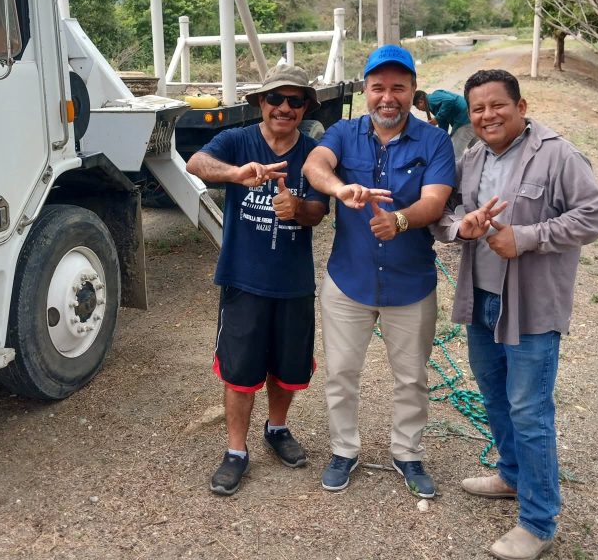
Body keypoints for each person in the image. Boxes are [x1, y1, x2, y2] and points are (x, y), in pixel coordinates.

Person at [432, 69, 598, 560]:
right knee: (494, 396)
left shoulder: (558, 154)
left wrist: (528, 238)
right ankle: (511, 475)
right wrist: (462, 227)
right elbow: (445, 215)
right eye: (478, 109)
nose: (487, 116)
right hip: (481, 300)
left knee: (530, 411)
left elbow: (596, 215)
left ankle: (538, 521)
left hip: (530, 306)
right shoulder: (471, 157)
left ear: (521, 107)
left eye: (498, 105)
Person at [302, 45, 455, 496]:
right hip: (348, 280)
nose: (388, 98)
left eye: (398, 88)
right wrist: (339, 188)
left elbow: (436, 200)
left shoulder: (435, 141)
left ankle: (407, 453)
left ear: (413, 91)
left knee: (411, 378)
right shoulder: (343, 132)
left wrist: (401, 220)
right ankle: (343, 450)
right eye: (378, 88)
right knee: (341, 374)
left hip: (411, 282)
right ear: (365, 91)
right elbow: (314, 164)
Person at [186, 64, 330, 496]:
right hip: (243, 280)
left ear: (305, 108)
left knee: (287, 368)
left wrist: (297, 209)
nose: (284, 108)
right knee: (240, 371)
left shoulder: (314, 153)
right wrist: (236, 174)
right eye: (275, 98)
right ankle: (236, 451)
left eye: (295, 100)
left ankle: (277, 428)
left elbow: (319, 212)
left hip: (293, 282)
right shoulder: (238, 140)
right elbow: (195, 163)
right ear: (261, 103)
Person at [414, 88, 475, 159]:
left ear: (420, 101)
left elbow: (449, 100)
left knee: (453, 155)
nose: (418, 109)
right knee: (477, 150)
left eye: (417, 106)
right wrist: (442, 138)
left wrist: (437, 119)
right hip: (469, 119)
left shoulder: (431, 98)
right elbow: (443, 123)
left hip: (464, 120)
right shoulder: (434, 106)